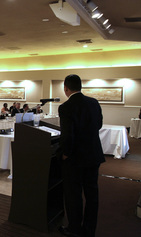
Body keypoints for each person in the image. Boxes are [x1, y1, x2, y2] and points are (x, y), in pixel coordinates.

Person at [58, 74, 105, 237]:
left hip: (75, 159)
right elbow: (98, 125)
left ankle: (74, 228)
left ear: (66, 88)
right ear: (80, 87)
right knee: (92, 194)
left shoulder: (65, 107)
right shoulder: (93, 103)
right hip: (93, 155)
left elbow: (67, 135)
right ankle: (89, 229)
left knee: (73, 194)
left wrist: (65, 153)